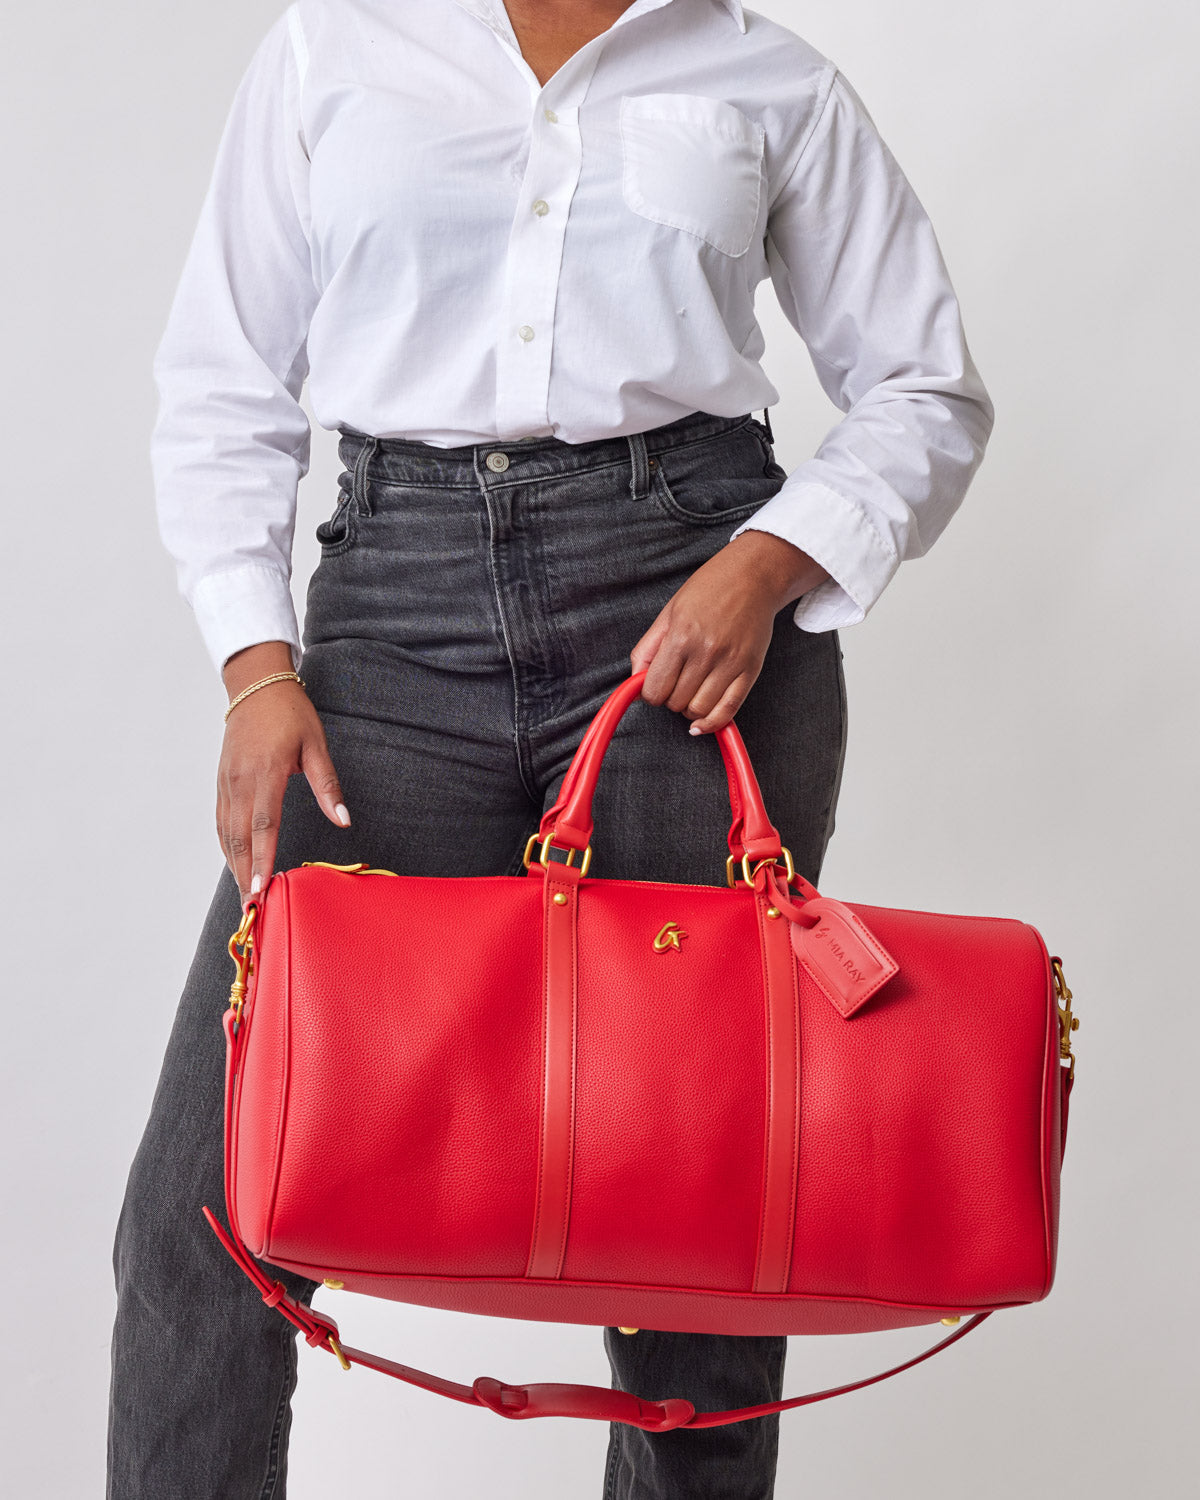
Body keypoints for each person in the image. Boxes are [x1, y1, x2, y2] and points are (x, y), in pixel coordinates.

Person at [106, 1, 994, 1496]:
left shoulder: (769, 76)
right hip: (390, 630)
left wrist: (771, 560)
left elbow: (925, 384)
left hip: (692, 634)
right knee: (210, 1217)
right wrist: (258, 664)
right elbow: (221, 381)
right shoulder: (334, 46)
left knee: (696, 1252)